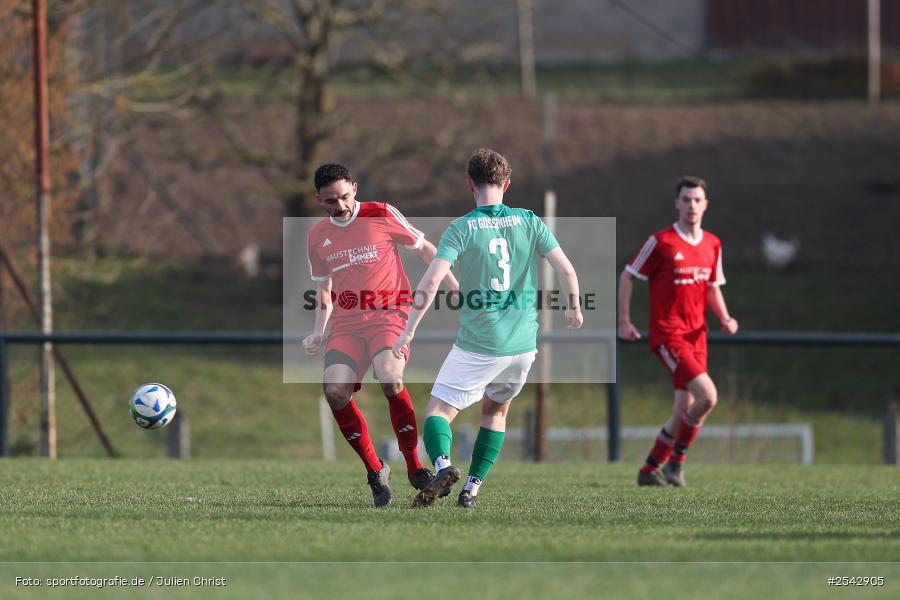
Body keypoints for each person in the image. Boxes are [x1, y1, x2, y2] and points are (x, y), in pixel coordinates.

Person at [392, 148, 583, 508]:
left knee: (437, 412)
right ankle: (472, 489)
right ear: (506, 184)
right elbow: (567, 270)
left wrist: (408, 331)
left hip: (480, 344)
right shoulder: (529, 220)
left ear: (469, 184)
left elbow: (432, 280)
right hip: (523, 346)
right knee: (495, 412)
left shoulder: (462, 228)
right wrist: (573, 307)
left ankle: (444, 467)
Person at [303, 163, 459, 507]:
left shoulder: (381, 213)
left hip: (390, 315)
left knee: (390, 378)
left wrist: (453, 285)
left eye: (345, 196)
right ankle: (376, 470)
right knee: (334, 392)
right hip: (346, 325)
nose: (340, 206)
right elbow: (324, 289)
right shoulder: (316, 237)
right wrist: (317, 332)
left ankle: (416, 467)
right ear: (319, 200)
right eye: (331, 201)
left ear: (355, 189)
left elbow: (425, 248)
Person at [618, 176, 739, 487]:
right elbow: (628, 275)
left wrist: (725, 317)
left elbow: (712, 288)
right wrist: (624, 320)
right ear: (677, 203)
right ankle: (675, 464)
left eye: (697, 200)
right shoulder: (661, 242)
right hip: (668, 335)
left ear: (706, 205)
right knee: (709, 396)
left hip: (697, 336)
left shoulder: (713, 244)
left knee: (684, 409)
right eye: (686, 199)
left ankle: (649, 471)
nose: (691, 205)